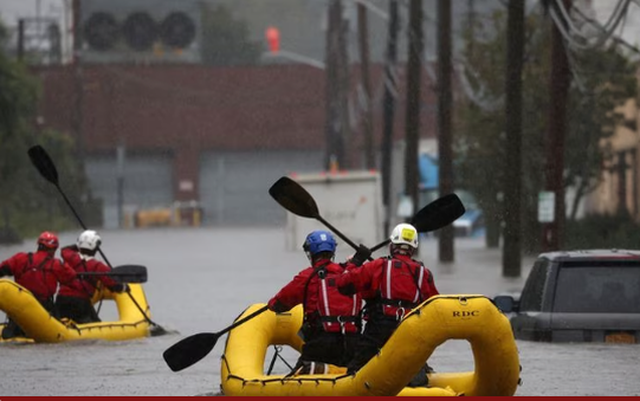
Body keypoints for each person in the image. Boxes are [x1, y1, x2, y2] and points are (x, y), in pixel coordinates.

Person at [337, 223, 439, 386]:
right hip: (410, 329)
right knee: (414, 367)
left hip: (379, 330)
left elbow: (343, 284)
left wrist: (355, 262)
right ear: (413, 248)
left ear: (392, 245)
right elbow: (436, 308)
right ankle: (421, 378)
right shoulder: (424, 273)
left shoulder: (378, 265)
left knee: (356, 372)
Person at [267, 230, 362, 374]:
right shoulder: (350, 273)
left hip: (320, 344)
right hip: (352, 343)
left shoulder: (307, 277)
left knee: (296, 377)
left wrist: (272, 305)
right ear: (332, 252)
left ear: (310, 253)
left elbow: (278, 304)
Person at [0, 231, 77, 339]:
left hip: (20, 305)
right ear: (52, 249)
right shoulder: (56, 264)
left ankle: (13, 329)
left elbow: (3, 269)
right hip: (44, 307)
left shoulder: (20, 258)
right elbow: (71, 278)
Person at [55, 230, 128, 324]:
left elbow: (66, 249)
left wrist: (81, 243)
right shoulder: (98, 266)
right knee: (95, 323)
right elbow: (114, 285)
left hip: (61, 299)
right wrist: (124, 287)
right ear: (96, 248)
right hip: (80, 303)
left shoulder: (69, 256)